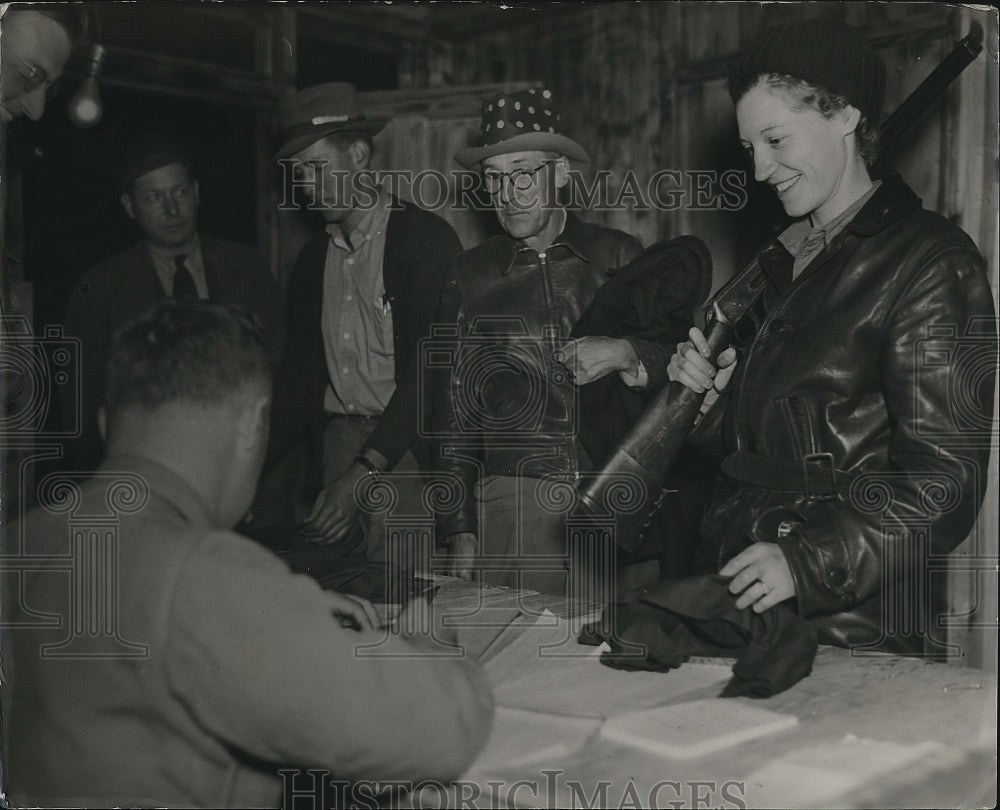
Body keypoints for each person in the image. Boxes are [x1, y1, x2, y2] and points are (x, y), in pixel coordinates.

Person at [5, 299, 492, 807]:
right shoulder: (204, 574)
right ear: (253, 426)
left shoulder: (22, 540)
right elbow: (440, 731)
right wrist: (426, 643)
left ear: (108, 423)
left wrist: (304, 621)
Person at [668, 19, 996, 654]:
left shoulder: (933, 261)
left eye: (775, 138)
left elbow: (946, 481)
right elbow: (777, 453)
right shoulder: (786, 262)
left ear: (844, 115)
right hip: (743, 602)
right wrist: (711, 412)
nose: (760, 168)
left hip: (851, 627)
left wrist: (806, 561)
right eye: (749, 147)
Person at [433, 86, 695, 597]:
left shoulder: (620, 255)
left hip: (614, 492)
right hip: (516, 505)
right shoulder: (469, 276)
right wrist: (459, 528)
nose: (508, 195)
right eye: (495, 179)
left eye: (524, 174)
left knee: (616, 659)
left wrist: (626, 353)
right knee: (517, 662)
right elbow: (452, 413)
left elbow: (681, 366)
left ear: (559, 173)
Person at [271, 82, 462, 563]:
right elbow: (299, 381)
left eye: (317, 168)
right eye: (298, 174)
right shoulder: (313, 260)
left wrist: (362, 475)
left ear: (358, 156)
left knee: (399, 603)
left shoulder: (426, 240)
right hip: (337, 448)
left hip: (404, 453)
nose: (308, 187)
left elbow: (429, 376)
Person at [63, 136, 283, 471]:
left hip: (245, 466)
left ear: (196, 192)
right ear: (129, 206)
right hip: (147, 476)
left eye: (179, 192)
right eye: (153, 197)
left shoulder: (246, 267)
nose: (171, 209)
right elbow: (80, 399)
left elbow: (280, 366)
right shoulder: (100, 286)